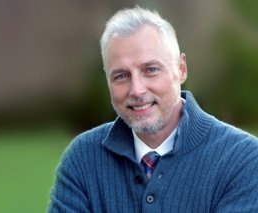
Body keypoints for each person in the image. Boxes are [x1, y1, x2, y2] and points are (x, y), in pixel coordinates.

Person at [48, 6, 258, 213]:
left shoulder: (243, 159)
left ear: (181, 68)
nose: (137, 90)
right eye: (121, 76)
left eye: (150, 70)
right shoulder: (82, 158)